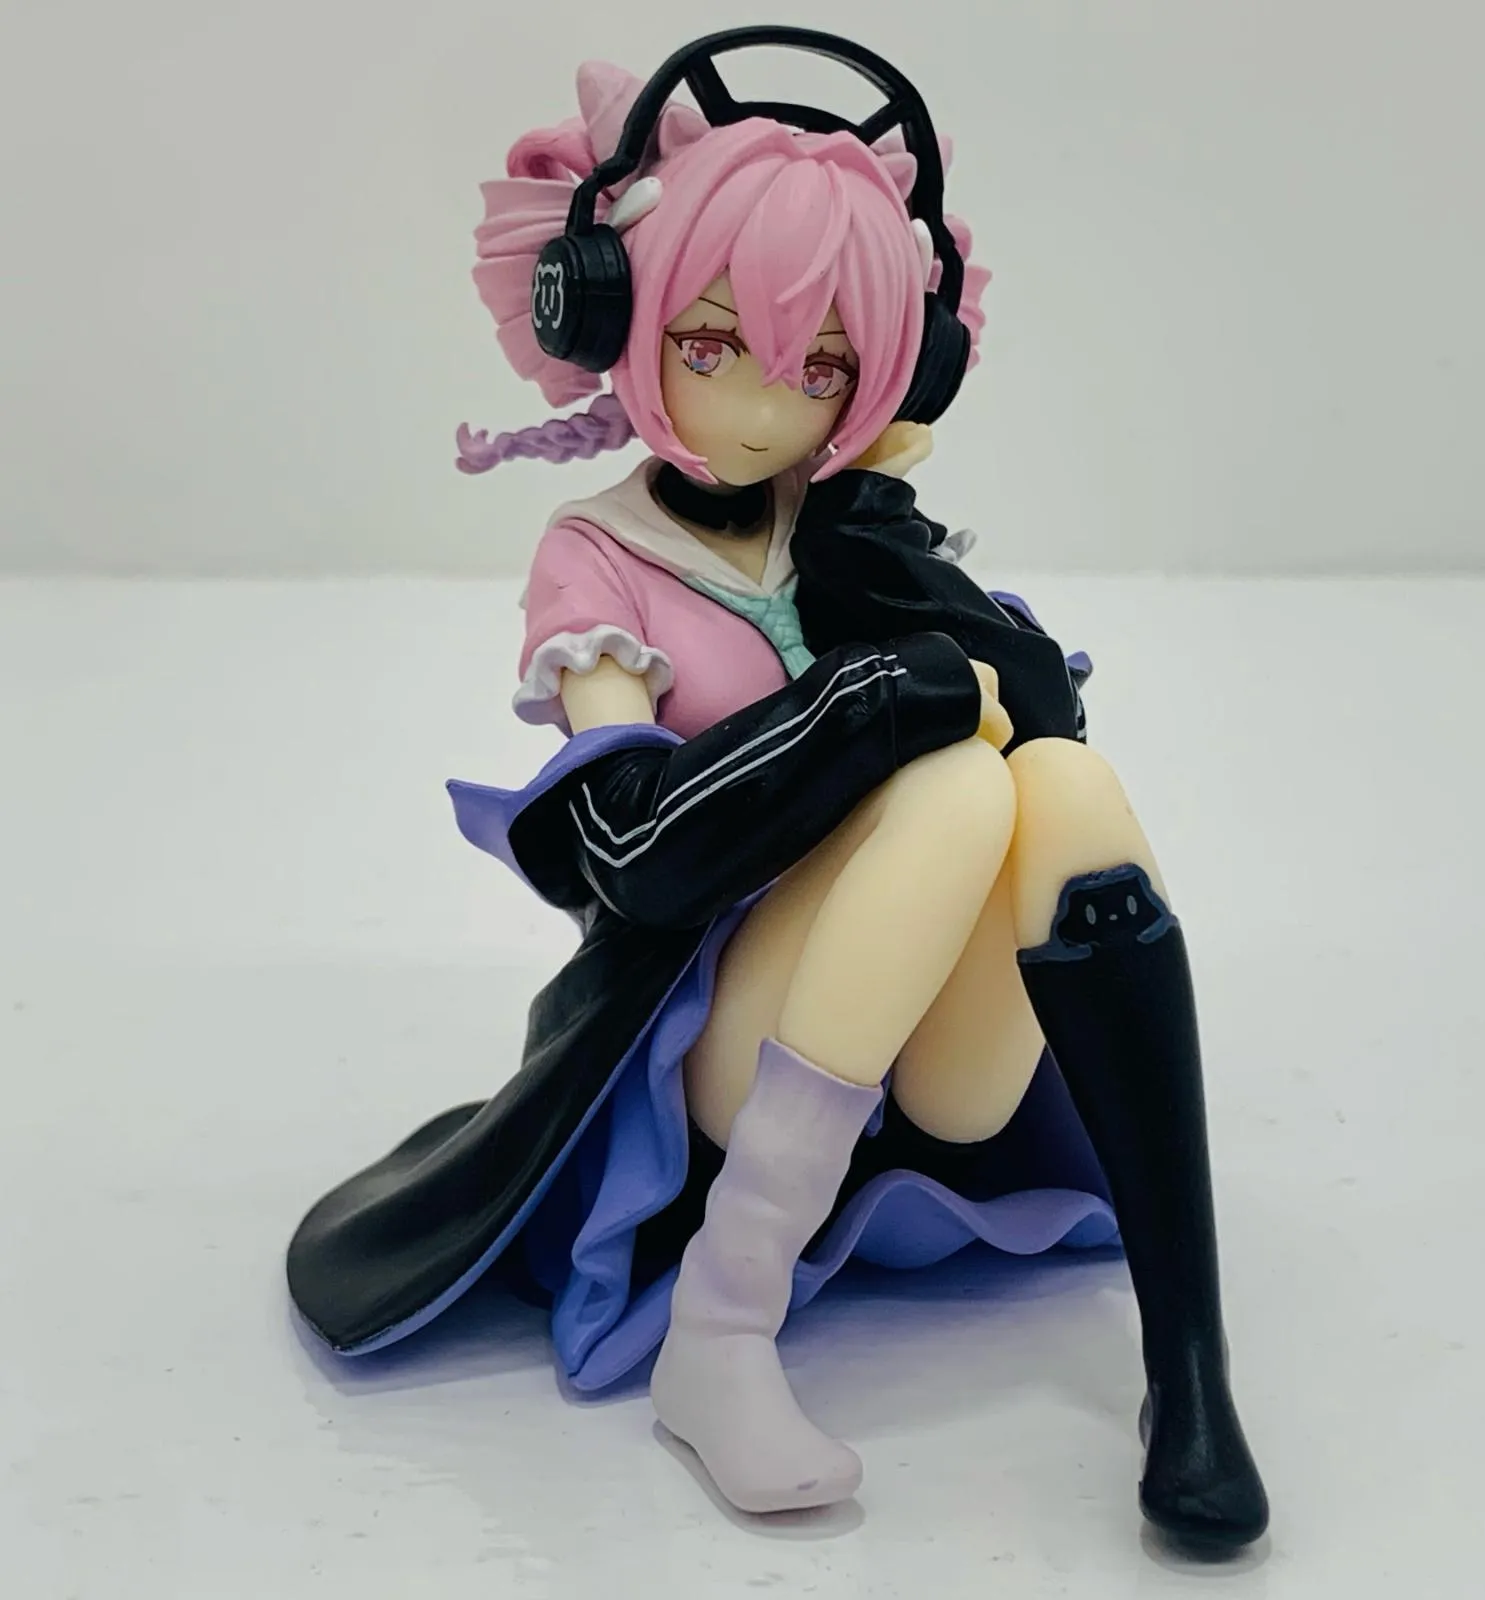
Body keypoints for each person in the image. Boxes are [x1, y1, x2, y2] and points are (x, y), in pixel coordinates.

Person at [287, 33, 1269, 1550]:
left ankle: (1188, 1369)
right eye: (711, 344)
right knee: (951, 792)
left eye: (822, 368)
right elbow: (627, 852)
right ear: (615, 316)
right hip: (717, 1047)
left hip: (932, 1074)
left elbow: (1036, 706)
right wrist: (861, 706)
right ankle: (721, 1330)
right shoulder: (599, 563)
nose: (763, 407)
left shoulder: (842, 522)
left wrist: (889, 549)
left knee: (1062, 781)